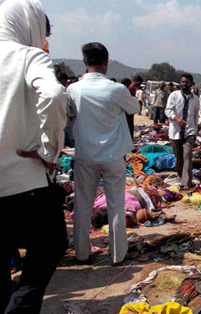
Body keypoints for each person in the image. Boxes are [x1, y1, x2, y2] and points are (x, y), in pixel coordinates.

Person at [0, 1, 68, 312]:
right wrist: (49, 151)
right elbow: (54, 95)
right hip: (23, 183)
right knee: (51, 245)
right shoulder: (28, 56)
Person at [67, 42, 139, 265]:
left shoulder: (73, 89)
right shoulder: (115, 89)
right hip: (112, 156)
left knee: (82, 204)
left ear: (85, 62)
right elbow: (134, 108)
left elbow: (69, 116)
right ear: (106, 62)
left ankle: (81, 253)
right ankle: (118, 254)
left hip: (85, 154)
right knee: (116, 204)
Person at [165, 73, 200, 188]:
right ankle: (181, 175)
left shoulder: (195, 99)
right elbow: (168, 111)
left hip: (189, 132)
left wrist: (194, 132)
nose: (184, 84)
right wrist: (177, 119)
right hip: (175, 132)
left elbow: (195, 116)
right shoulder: (174, 96)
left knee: (187, 156)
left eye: (187, 82)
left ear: (192, 84)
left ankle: (186, 183)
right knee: (179, 158)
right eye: (182, 82)